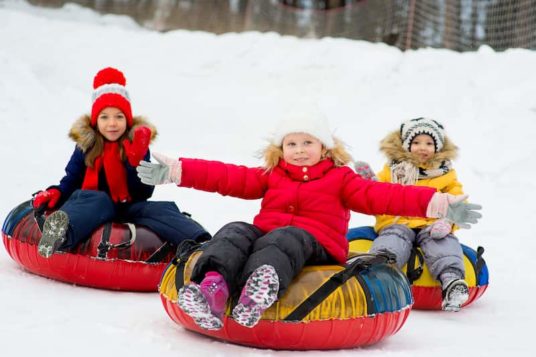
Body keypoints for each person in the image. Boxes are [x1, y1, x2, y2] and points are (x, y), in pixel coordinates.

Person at [136, 110, 481, 330]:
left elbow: (387, 195)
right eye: (291, 143)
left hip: (315, 244)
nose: (299, 149)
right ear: (280, 150)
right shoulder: (273, 174)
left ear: (325, 148)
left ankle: (259, 292)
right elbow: (227, 176)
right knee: (235, 231)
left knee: (285, 238)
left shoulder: (341, 178)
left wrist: (440, 204)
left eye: (307, 142)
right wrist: (177, 170)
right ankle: (212, 288)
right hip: (270, 236)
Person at [32, 67, 210, 258]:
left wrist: (137, 162)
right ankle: (61, 234)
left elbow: (143, 192)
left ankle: (200, 242)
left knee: (157, 209)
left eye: (119, 116)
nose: (112, 123)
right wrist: (56, 192)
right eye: (104, 117)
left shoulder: (136, 146)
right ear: (95, 121)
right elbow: (72, 179)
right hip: (93, 204)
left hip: (128, 206)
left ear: (127, 119)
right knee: (98, 200)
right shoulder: (86, 146)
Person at [364, 117, 477, 312]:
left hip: (431, 224)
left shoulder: (445, 174)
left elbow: (458, 200)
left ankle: (451, 282)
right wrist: (369, 185)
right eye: (415, 142)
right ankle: (379, 276)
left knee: (442, 242)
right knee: (393, 239)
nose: (422, 147)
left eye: (429, 143)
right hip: (397, 221)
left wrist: (448, 222)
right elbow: (380, 195)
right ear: (406, 146)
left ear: (438, 147)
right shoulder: (393, 171)